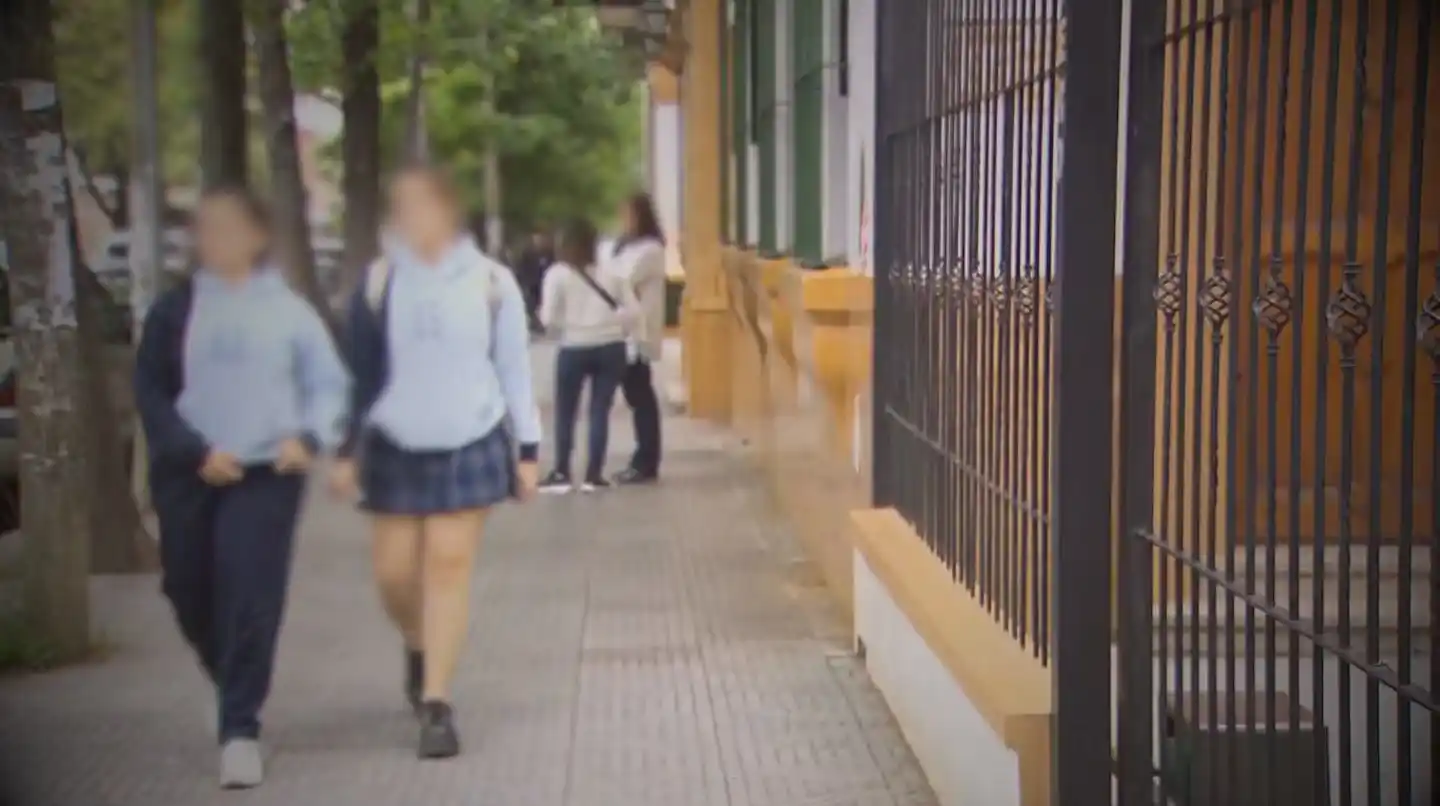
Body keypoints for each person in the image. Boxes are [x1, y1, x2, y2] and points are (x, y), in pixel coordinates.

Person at [134, 185, 349, 789]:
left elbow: (328, 384)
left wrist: (308, 438)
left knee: (249, 593)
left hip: (266, 475)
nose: (217, 239)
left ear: (257, 236)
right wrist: (193, 451)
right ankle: (232, 681)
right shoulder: (174, 311)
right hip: (193, 472)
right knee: (187, 587)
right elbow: (150, 390)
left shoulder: (289, 309)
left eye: (230, 227)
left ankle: (240, 729)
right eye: (207, 228)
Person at [328, 164, 542, 760]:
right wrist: (348, 449)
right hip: (395, 441)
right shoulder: (379, 282)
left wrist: (527, 451)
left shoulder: (492, 283)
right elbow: (360, 377)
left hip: (470, 437)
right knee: (395, 576)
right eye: (403, 207)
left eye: (424, 205)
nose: (413, 218)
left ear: (449, 211)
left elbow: (514, 372)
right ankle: (419, 645)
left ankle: (437, 703)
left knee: (448, 566)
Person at [535, 218, 639, 493]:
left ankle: (562, 472)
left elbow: (548, 319)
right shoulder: (613, 271)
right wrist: (618, 329)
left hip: (574, 347)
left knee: (566, 411)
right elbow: (633, 311)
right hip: (611, 347)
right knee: (599, 411)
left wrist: (559, 324)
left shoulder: (558, 274)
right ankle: (594, 474)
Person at [608, 192, 668, 484]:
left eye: (628, 214)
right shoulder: (625, 246)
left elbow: (622, 278)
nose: (624, 221)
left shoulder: (650, 249)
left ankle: (647, 460)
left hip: (639, 331)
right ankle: (642, 456)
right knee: (636, 395)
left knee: (641, 394)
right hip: (623, 330)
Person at [514, 231, 554, 333]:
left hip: (543, 281)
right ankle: (534, 322)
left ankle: (540, 322)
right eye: (537, 238)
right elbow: (521, 267)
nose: (539, 241)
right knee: (531, 303)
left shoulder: (548, 252)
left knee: (541, 302)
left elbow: (551, 265)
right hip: (531, 282)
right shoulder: (527, 252)